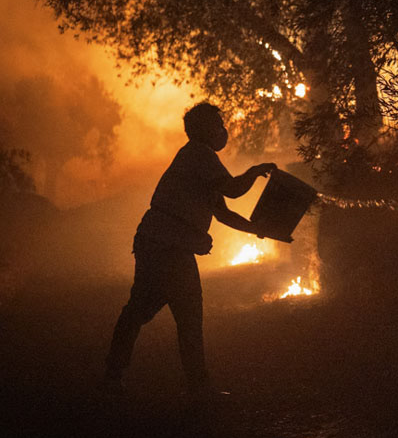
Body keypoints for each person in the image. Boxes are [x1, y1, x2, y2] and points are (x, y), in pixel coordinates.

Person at [102, 102, 275, 397]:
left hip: (158, 242)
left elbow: (223, 213)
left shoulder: (197, 160)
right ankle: (197, 385)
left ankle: (113, 376)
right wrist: (256, 171)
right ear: (206, 129)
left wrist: (257, 229)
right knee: (187, 315)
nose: (223, 131)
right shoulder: (199, 154)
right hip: (168, 247)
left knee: (140, 310)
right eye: (218, 125)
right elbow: (233, 190)